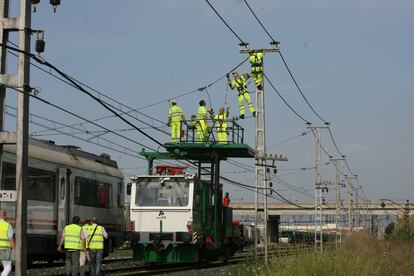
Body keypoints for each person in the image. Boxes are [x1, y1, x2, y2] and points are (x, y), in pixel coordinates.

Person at [0, 210, 14, 276]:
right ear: (4, 216)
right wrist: (14, 249)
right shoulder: (7, 225)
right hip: (4, 249)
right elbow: (10, 238)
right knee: (7, 267)